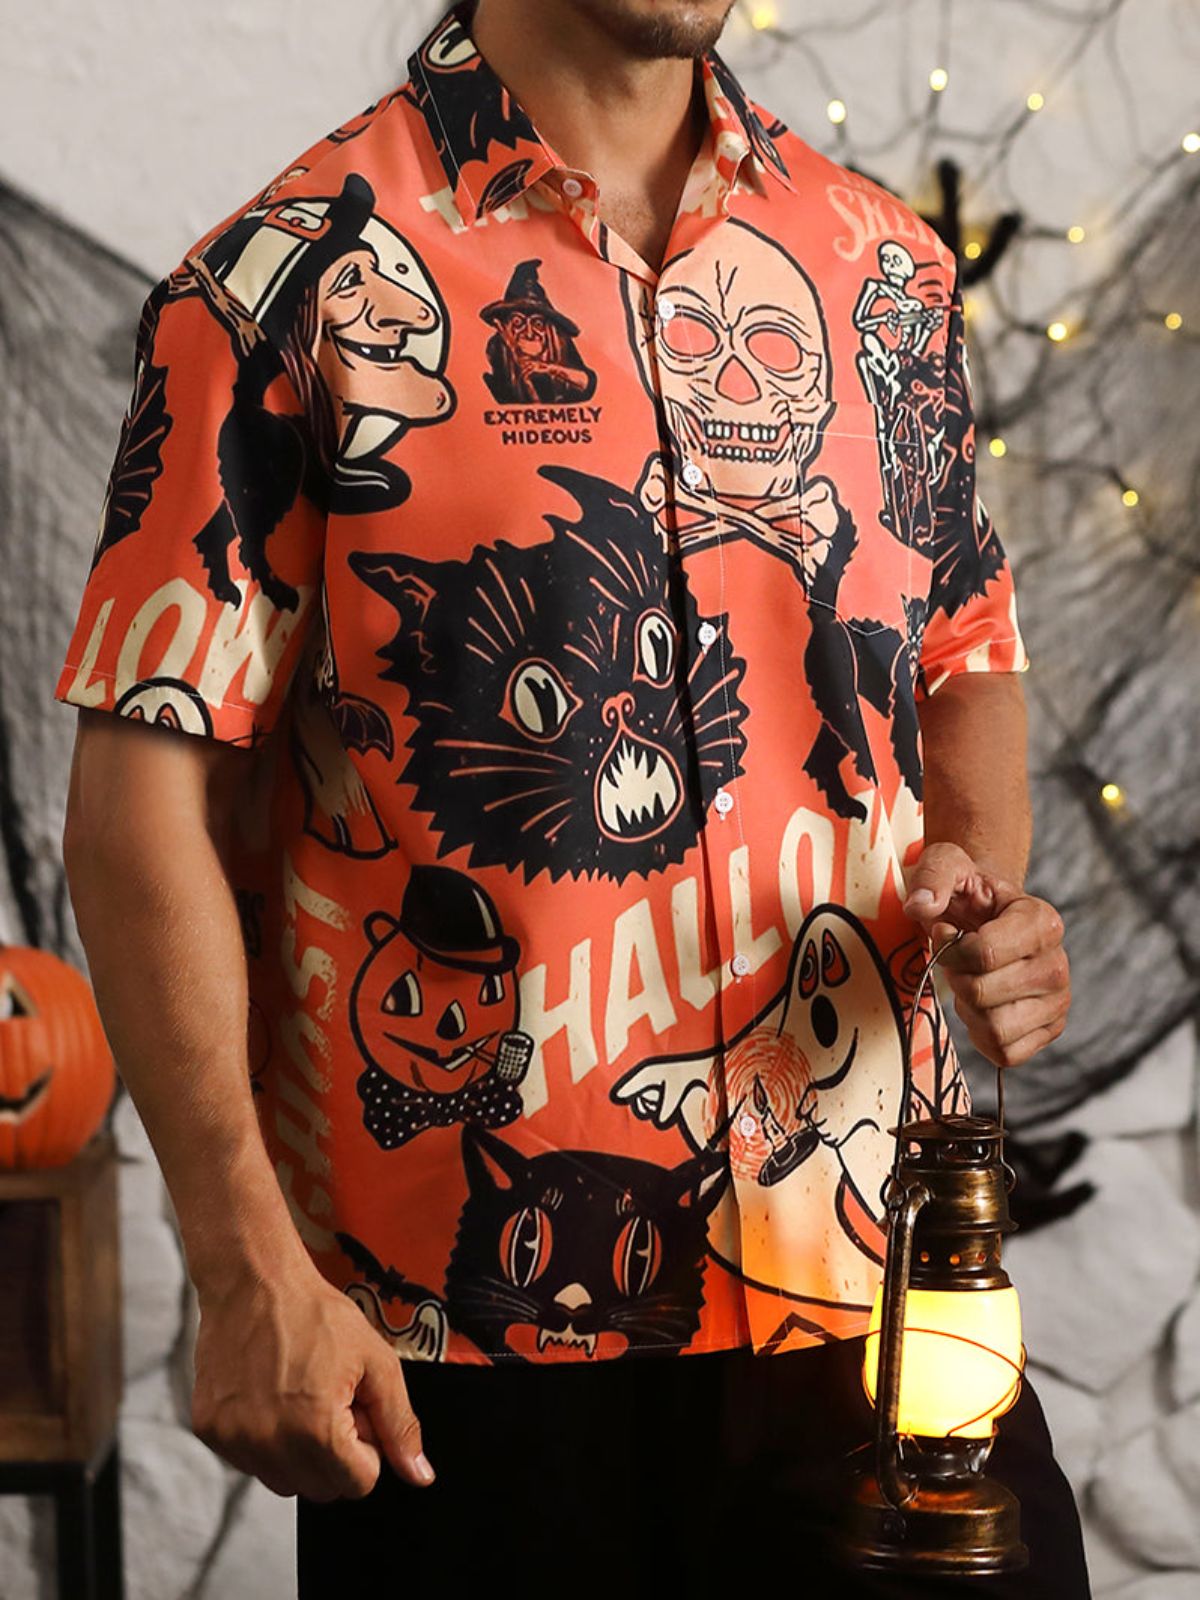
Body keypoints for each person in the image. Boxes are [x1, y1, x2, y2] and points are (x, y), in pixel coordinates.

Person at [56, 0, 1090, 1593]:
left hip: (888, 1302)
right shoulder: (287, 285)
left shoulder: (882, 267)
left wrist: (981, 884)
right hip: (477, 1350)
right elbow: (141, 803)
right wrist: (242, 1265)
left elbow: (961, 648)